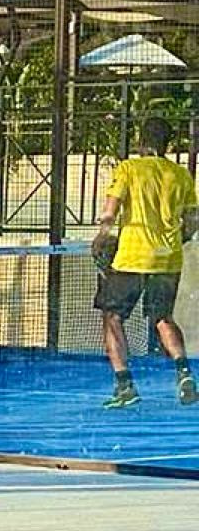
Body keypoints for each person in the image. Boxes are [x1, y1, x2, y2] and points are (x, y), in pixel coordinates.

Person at [92, 113, 199, 411]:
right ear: (168, 145)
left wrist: (102, 236)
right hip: (168, 259)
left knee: (112, 317)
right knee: (163, 317)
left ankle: (124, 385)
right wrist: (178, 239)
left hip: (132, 257)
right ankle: (184, 373)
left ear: (140, 142)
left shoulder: (129, 169)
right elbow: (192, 220)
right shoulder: (180, 175)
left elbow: (110, 211)